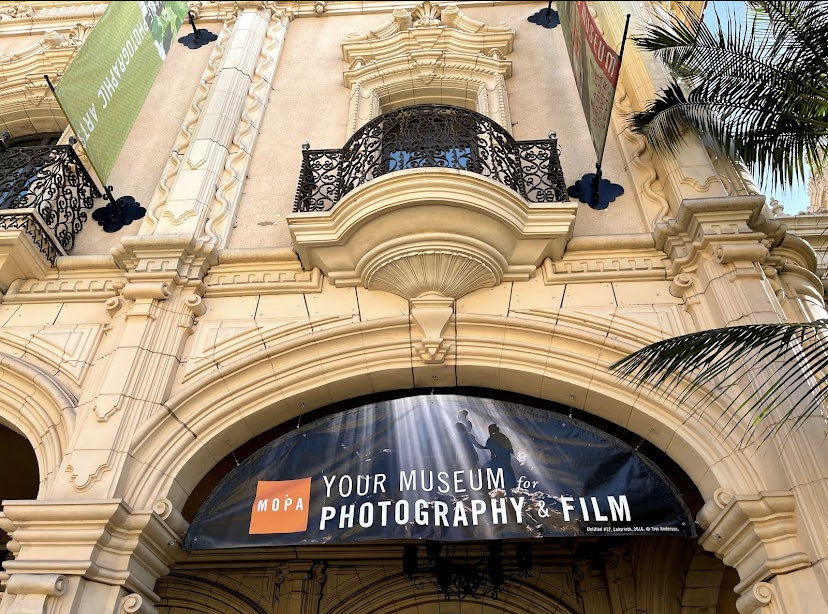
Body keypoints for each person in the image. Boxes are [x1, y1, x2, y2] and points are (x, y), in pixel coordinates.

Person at [483, 423, 517, 489]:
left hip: (500, 460)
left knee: (485, 469)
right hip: (506, 459)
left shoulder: (493, 438)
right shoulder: (503, 437)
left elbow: (490, 450)